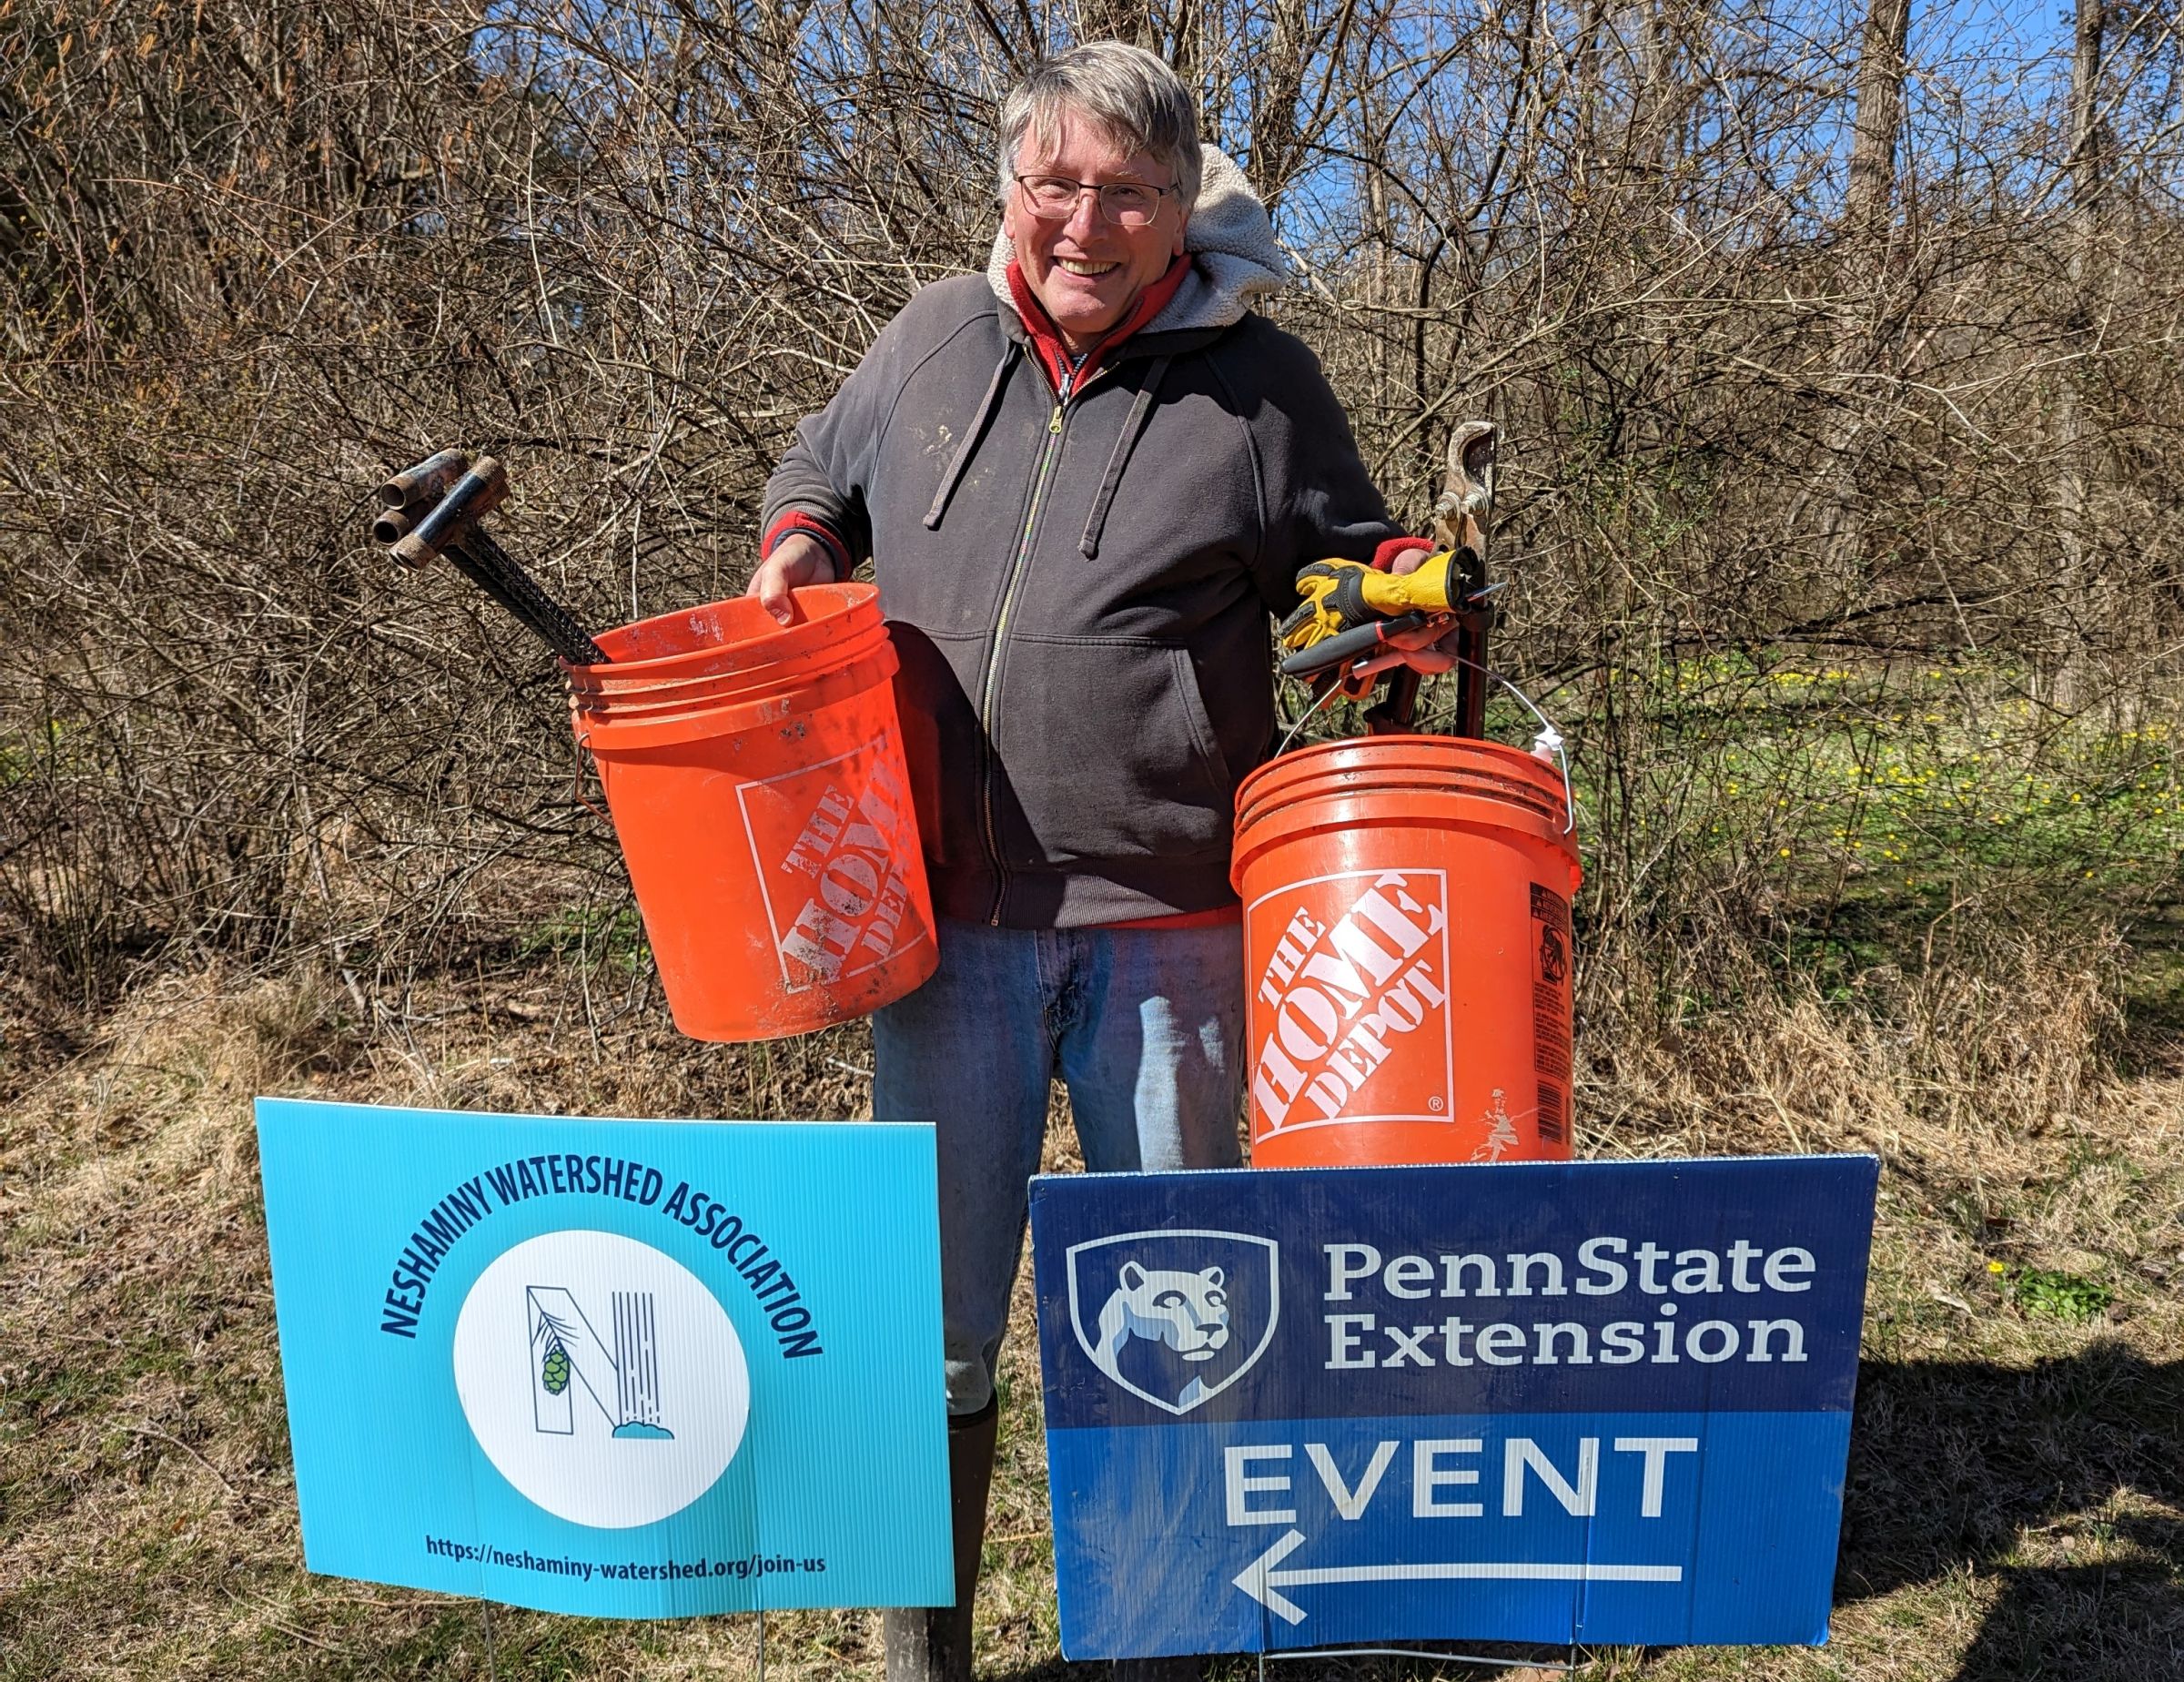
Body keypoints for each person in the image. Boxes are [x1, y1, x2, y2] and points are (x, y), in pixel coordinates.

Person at [749, 41, 1428, 1682]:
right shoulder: (923, 341)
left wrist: (1399, 595)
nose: (1086, 221)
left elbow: (1360, 568)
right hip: (945, 931)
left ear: (1180, 212)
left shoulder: (1262, 390)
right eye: (1058, 183)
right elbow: (815, 475)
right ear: (1011, 189)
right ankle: (924, 1658)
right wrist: (793, 550)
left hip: (1174, 930)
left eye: (1126, 192)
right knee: (932, 1332)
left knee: (1177, 1329)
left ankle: (1170, 1643)